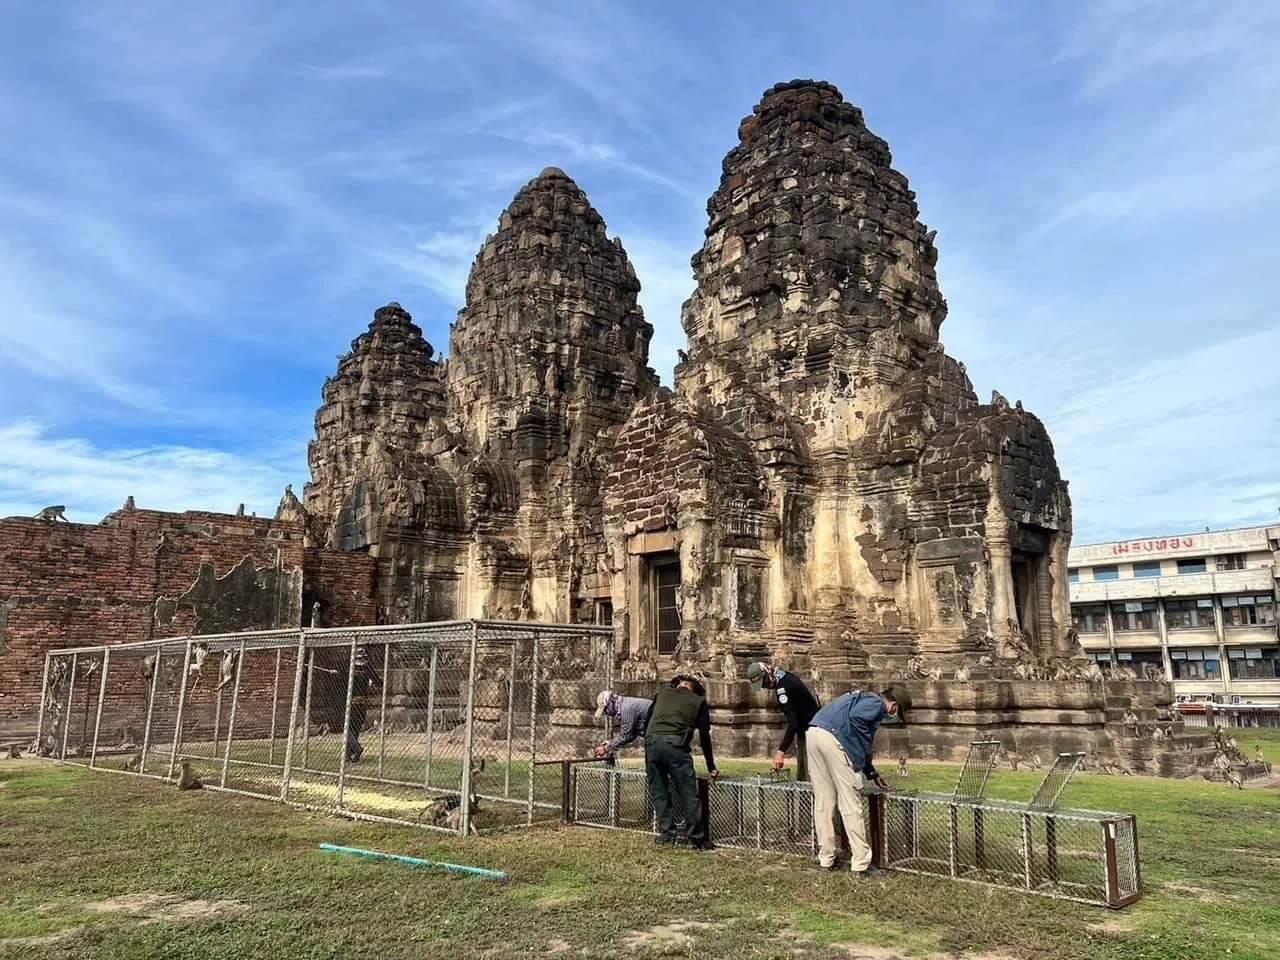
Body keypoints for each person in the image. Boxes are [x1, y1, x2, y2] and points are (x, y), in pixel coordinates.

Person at [807, 685, 911, 877]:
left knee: (823, 801)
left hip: (814, 733)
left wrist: (871, 772)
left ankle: (826, 858)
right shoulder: (876, 704)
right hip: (832, 738)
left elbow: (858, 732)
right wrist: (863, 756)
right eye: (897, 713)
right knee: (850, 803)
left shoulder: (862, 698)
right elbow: (858, 725)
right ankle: (861, 863)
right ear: (894, 706)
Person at [643, 675, 720, 849]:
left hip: (652, 742)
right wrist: (711, 766)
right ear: (695, 689)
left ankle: (667, 834)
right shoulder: (698, 701)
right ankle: (696, 838)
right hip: (675, 746)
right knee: (688, 792)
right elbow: (705, 736)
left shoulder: (662, 694)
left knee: (659, 790)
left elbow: (647, 721)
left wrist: (650, 742)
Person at [746, 661, 821, 781]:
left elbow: (793, 723)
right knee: (802, 776)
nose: (764, 687)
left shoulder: (782, 689)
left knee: (809, 777)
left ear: (766, 674)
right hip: (809, 729)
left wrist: (781, 752)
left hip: (812, 732)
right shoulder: (782, 675)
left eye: (763, 682)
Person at [592, 690, 653, 761]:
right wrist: (610, 743)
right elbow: (632, 734)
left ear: (611, 702)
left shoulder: (626, 709)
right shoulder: (625, 704)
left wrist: (606, 748)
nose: (606, 713)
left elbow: (626, 736)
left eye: (606, 709)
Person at [345, 645, 377, 763]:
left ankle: (356, 748)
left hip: (352, 702)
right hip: (363, 703)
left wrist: (336, 674)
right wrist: (370, 682)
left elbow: (342, 682)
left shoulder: (350, 670)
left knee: (347, 728)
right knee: (356, 728)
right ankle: (349, 754)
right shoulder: (367, 670)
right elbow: (379, 682)